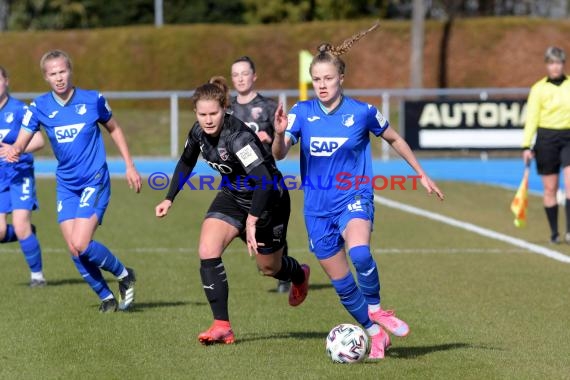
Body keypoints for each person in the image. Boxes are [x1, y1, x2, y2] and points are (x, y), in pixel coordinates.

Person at [272, 23, 445, 359]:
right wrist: (279, 134)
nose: (322, 85)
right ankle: (373, 332)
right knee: (342, 285)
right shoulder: (301, 113)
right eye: (317, 79)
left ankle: (378, 309)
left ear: (341, 78)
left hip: (354, 197)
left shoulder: (362, 112)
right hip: (316, 208)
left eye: (328, 78)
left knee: (360, 253)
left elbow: (394, 138)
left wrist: (421, 173)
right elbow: (280, 154)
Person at [155, 78, 310, 345]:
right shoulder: (198, 133)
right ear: (195, 113)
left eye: (213, 113)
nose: (208, 120)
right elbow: (186, 161)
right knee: (207, 250)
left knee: (269, 268)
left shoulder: (238, 139)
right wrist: (170, 197)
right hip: (232, 197)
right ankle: (222, 325)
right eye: (202, 114)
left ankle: (298, 273)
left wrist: (252, 220)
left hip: (268, 201)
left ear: (224, 108)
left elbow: (263, 181)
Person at [2, 50, 141, 312]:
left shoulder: (92, 100)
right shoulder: (39, 106)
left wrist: (129, 165)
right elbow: (23, 136)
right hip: (66, 184)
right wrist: (15, 149)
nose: (59, 78)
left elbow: (115, 128)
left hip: (94, 179)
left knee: (81, 242)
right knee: (73, 249)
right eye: (53, 74)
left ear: (70, 71)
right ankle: (106, 297)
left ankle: (124, 275)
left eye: (62, 71)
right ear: (46, 77)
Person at [228, 56, 290, 294]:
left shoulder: (269, 107)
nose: (241, 78)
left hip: (264, 179)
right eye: (236, 75)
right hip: (238, 181)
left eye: (245, 73)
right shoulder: (228, 109)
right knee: (239, 226)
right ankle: (271, 258)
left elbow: (282, 143)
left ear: (254, 76)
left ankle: (283, 268)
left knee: (271, 228)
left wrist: (272, 137)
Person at [0, 66, 46, 287]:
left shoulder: (19, 110)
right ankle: (26, 233)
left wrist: (15, 150)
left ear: (6, 81)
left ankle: (37, 276)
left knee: (20, 224)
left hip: (20, 174)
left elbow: (38, 141)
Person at [522, 46, 570, 244]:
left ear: (563, 64)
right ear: (547, 65)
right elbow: (532, 117)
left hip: (568, 137)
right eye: (551, 63)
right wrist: (526, 145)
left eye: (558, 63)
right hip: (546, 139)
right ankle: (554, 233)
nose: (555, 67)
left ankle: (569, 232)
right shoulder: (538, 88)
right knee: (550, 189)